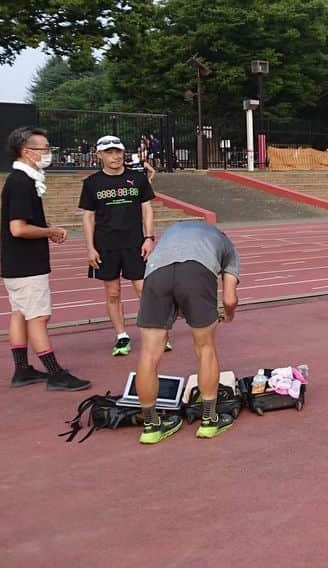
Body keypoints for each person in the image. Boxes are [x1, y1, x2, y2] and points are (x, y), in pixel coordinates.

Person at [134, 221, 240, 445]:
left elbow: (162, 279)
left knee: (149, 354)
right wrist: (228, 315)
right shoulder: (227, 246)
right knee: (205, 348)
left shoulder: (171, 233)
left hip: (155, 275)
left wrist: (172, 311)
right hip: (196, 273)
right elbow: (229, 299)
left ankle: (151, 426)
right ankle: (210, 420)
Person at [2, 127, 91, 391]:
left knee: (20, 312)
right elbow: (18, 228)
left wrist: (46, 228)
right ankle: (55, 374)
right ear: (27, 152)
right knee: (38, 317)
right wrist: (50, 231)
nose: (49, 154)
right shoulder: (21, 183)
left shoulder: (21, 180)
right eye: (45, 149)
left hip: (16, 262)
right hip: (27, 264)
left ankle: (22, 369)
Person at [79, 135, 169, 357]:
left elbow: (147, 208)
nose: (115, 156)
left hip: (134, 243)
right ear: (99, 155)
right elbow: (88, 217)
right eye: (109, 152)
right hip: (105, 245)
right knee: (113, 292)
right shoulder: (92, 183)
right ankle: (121, 336)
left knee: (144, 290)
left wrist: (149, 237)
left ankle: (157, 332)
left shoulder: (137, 179)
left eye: (118, 151)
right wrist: (90, 247)